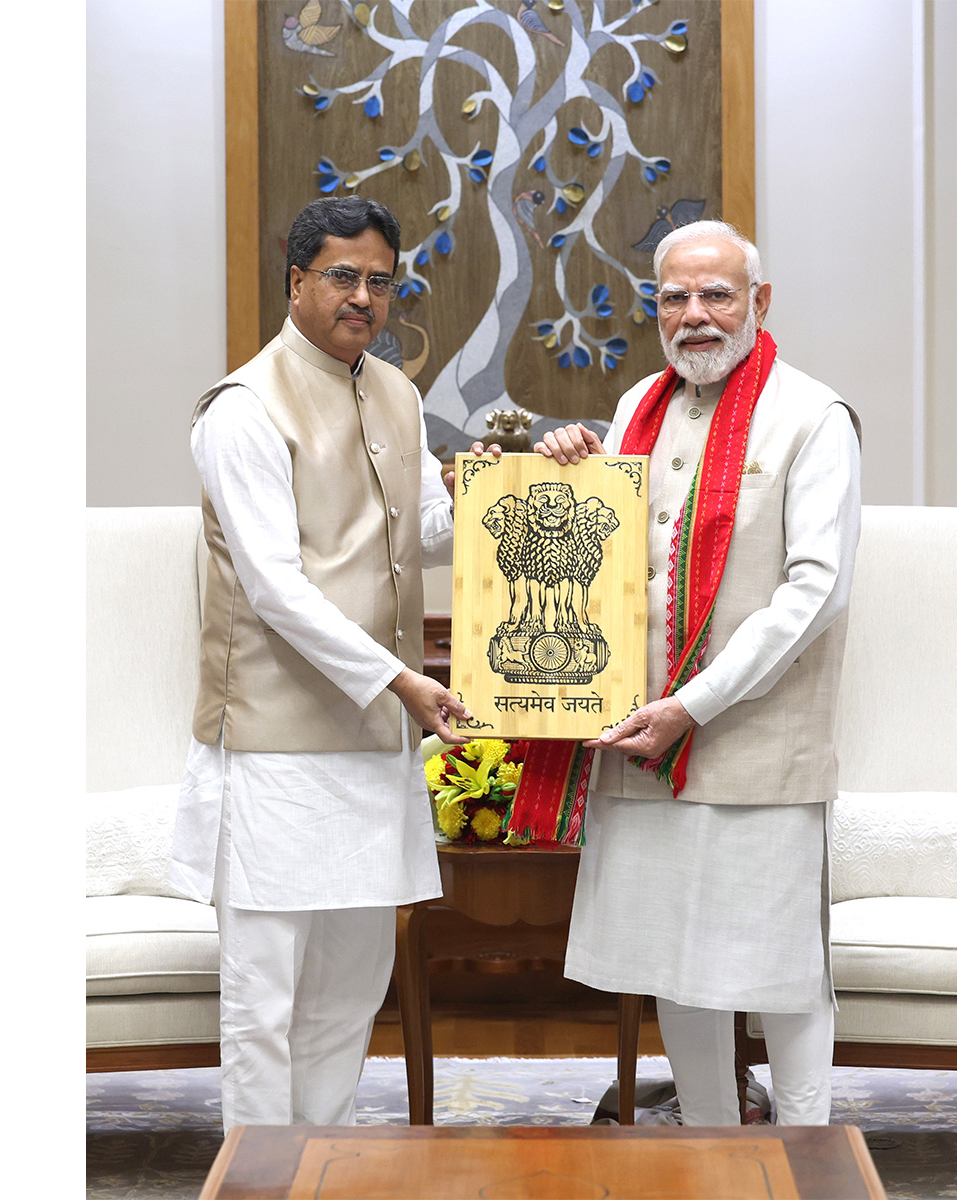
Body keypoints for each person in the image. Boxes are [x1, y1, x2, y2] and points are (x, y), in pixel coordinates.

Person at [533, 220, 862, 1126]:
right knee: (671, 960)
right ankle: (710, 1148)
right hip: (643, 742)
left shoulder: (814, 417)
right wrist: (577, 475)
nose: (695, 315)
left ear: (759, 302)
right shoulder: (640, 400)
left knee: (780, 967)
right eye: (674, 296)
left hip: (756, 747)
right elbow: (616, 553)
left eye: (717, 294)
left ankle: (804, 1155)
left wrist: (696, 703)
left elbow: (815, 591)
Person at [166, 196, 472, 1133]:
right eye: (343, 276)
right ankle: (260, 1181)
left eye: (381, 279)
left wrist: (501, 495)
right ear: (295, 282)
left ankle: (322, 1166)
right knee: (267, 1003)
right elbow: (275, 587)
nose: (364, 297)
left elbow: (411, 537)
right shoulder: (243, 408)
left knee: (350, 989)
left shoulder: (397, 393)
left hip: (370, 746)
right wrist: (403, 681)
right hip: (275, 753)